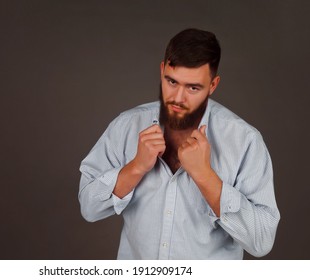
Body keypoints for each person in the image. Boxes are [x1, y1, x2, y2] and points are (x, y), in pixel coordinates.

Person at [78, 28, 280, 259]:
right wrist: (135, 168)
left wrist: (205, 176)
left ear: (213, 85)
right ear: (162, 70)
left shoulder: (244, 141)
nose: (178, 98)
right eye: (171, 81)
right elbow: (89, 208)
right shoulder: (126, 126)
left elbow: (261, 241)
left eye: (193, 88)